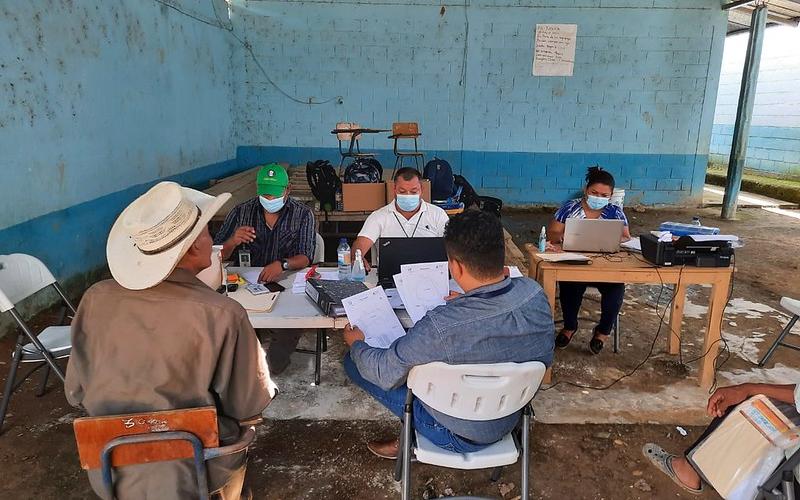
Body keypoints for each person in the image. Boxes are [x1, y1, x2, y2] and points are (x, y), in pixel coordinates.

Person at [66, 181, 276, 500]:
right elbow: (249, 404)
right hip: (194, 465)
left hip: (110, 464)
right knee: (239, 441)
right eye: (208, 230)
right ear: (193, 247)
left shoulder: (95, 298)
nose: (213, 238)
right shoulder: (223, 313)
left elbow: (75, 391)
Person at [343, 210, 554, 458]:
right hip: (510, 416)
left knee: (355, 362)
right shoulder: (534, 293)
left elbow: (383, 371)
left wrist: (357, 344)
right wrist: (471, 300)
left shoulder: (439, 326)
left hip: (455, 434)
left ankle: (410, 437)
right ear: (500, 255)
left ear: (455, 266)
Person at [214, 163, 316, 374]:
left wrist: (283, 264)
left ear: (287, 190)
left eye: (274, 195)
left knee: (290, 323)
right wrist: (233, 241)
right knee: (233, 319)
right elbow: (215, 255)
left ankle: (268, 370)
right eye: (265, 195)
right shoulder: (241, 212)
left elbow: (306, 257)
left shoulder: (303, 214)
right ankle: (247, 359)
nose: (269, 200)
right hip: (246, 283)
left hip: (285, 281)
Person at [643, 383, 798, 495]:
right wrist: (746, 388)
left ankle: (688, 471)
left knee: (750, 403)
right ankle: (727, 476)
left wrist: (747, 390)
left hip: (790, 478)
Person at [546, 165, 631, 355]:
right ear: (586, 190)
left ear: (610, 196)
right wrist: (562, 238)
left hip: (606, 268)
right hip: (576, 263)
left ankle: (602, 333)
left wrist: (614, 240)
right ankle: (570, 327)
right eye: (594, 192)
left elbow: (626, 237)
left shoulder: (615, 212)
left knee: (616, 290)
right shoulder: (569, 208)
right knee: (570, 285)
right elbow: (553, 232)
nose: (598, 197)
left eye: (604, 195)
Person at [351, 167, 449, 270]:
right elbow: (362, 241)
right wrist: (357, 257)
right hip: (391, 277)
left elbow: (453, 245)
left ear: (422, 190)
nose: (408, 195)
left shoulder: (438, 214)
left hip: (432, 275)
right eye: (402, 191)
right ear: (394, 190)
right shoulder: (379, 216)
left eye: (413, 191)